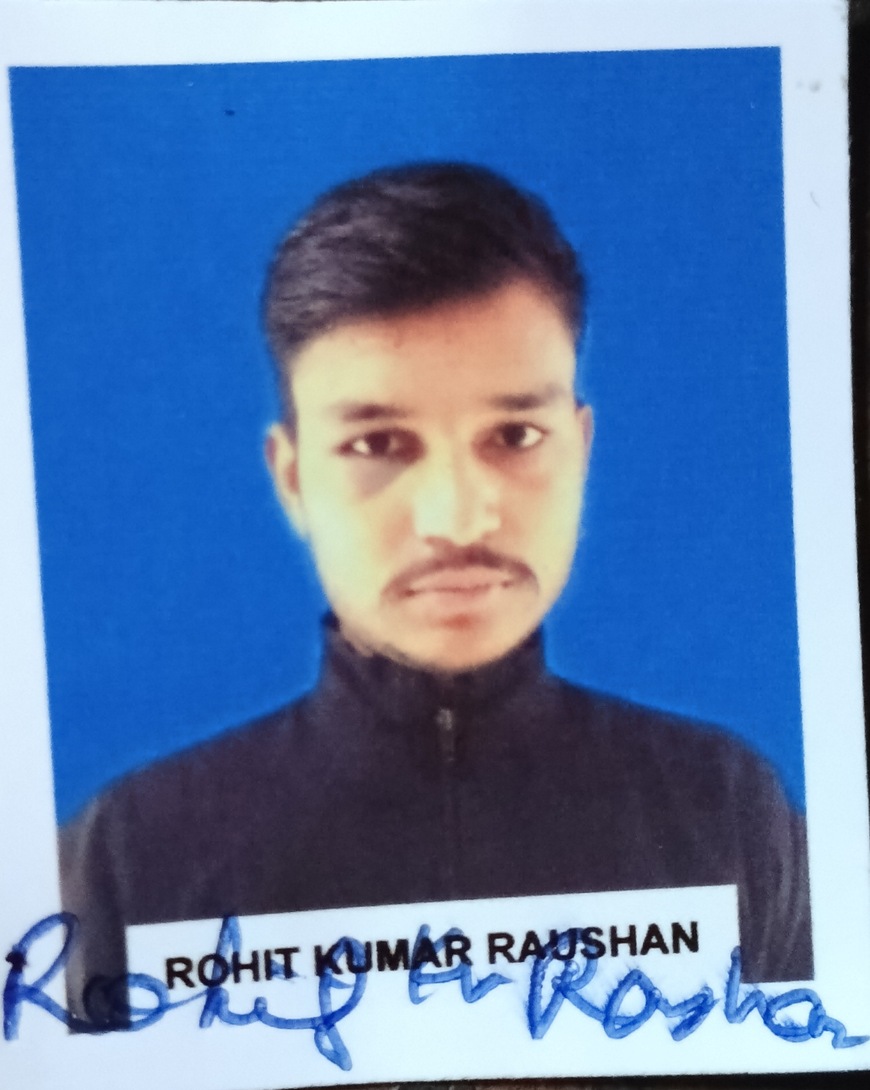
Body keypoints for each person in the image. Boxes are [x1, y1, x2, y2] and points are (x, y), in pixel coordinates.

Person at [60, 162, 811, 1021]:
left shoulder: (728, 812)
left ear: (580, 449)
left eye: (515, 435)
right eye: (379, 444)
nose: (457, 519)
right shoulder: (130, 853)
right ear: (293, 479)